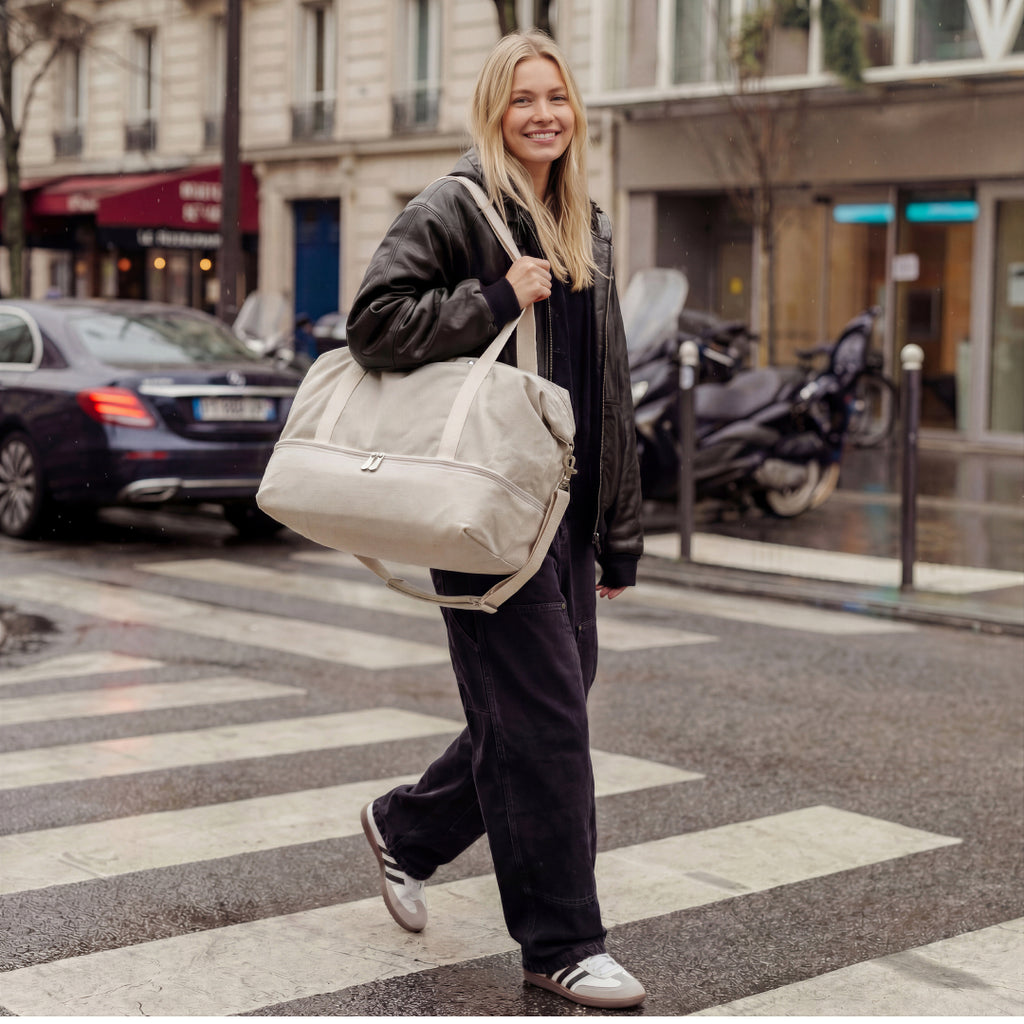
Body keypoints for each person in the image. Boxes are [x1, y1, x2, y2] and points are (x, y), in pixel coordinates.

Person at [346, 29, 645, 1011]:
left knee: (540, 711)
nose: (543, 114)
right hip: (482, 510)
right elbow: (375, 323)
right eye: (523, 99)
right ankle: (560, 943)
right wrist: (488, 296)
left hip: (561, 518)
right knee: (547, 724)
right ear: (493, 108)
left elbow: (606, 388)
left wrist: (618, 532)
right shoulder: (455, 207)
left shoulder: (585, 221)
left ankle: (408, 829)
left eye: (556, 96)